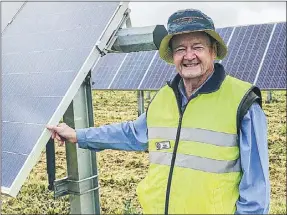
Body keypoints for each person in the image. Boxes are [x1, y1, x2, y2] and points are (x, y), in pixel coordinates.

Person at [47, 9, 270, 214]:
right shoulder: (165, 96)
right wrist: (78, 135)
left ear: (213, 52)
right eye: (180, 49)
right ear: (172, 55)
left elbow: (256, 191)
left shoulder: (243, 102)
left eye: (197, 47)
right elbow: (132, 134)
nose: (189, 55)